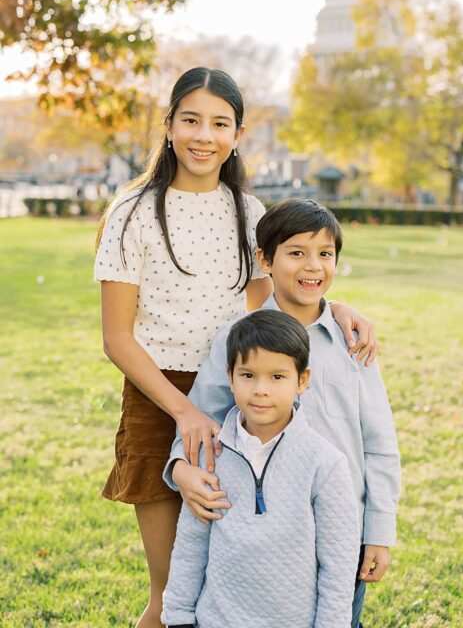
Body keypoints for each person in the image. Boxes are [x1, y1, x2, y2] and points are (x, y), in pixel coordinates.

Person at [94, 68, 376, 628]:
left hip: (243, 394)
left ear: (238, 134)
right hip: (162, 397)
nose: (205, 135)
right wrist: (185, 412)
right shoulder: (131, 213)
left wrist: (336, 309)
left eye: (220, 123)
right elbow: (117, 337)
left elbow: (279, 297)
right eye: (191, 120)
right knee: (175, 591)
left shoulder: (249, 213)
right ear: (169, 126)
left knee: (233, 581)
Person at [164, 198, 401, 626]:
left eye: (324, 254)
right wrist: (181, 469)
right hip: (256, 548)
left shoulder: (354, 344)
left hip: (338, 535)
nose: (313, 267)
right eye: (296, 253)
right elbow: (201, 422)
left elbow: (380, 446)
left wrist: (378, 532)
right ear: (265, 260)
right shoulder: (236, 340)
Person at [161, 310, 360, 627]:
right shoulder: (210, 457)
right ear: (230, 377)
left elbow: (338, 563)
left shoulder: (324, 463)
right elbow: (189, 548)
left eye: (277, 377)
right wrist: (178, 617)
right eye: (248, 375)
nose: (261, 390)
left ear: (302, 380)